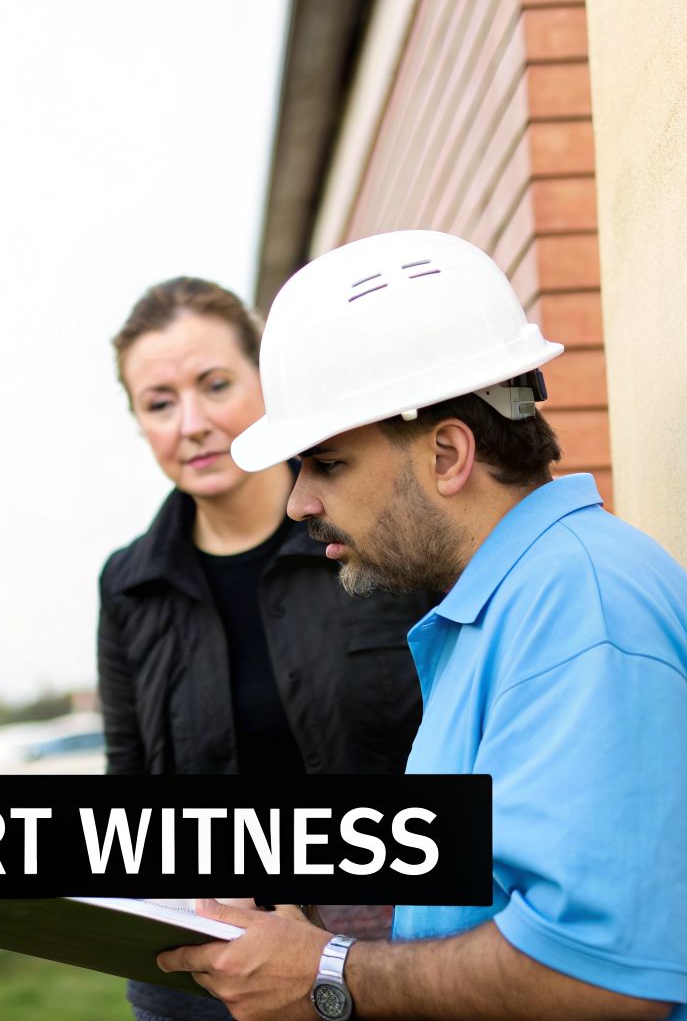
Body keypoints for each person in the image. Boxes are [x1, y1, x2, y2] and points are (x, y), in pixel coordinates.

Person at [156, 231, 687, 1020]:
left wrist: (327, 973)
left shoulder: (581, 614)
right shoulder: (511, 610)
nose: (300, 505)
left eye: (327, 464)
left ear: (449, 453)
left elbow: (597, 974)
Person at [98, 277, 432, 1021]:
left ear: (267, 384)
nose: (193, 422)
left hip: (382, 962)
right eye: (159, 402)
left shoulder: (375, 540)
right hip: (197, 972)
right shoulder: (128, 584)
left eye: (215, 385)